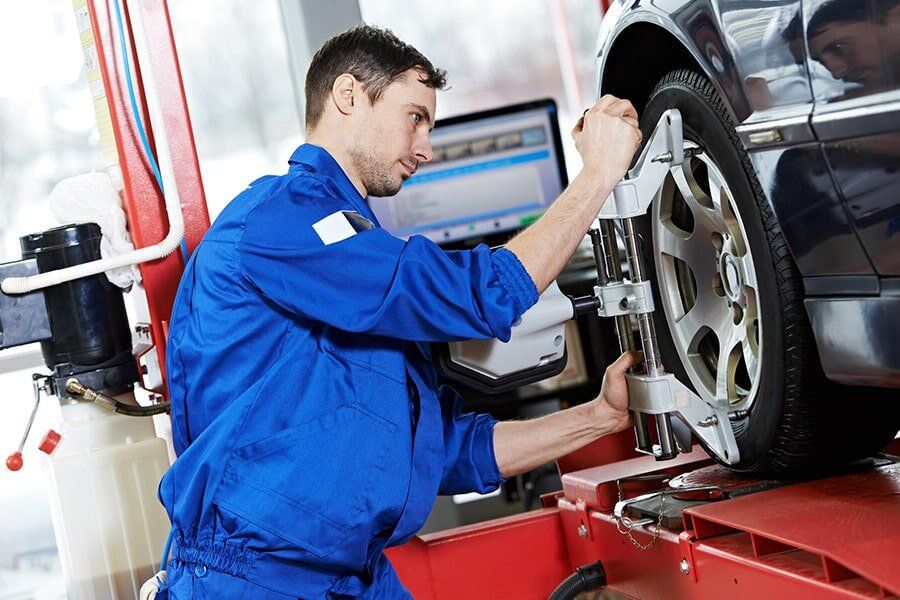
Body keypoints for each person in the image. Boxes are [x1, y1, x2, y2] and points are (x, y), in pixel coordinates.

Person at [156, 24, 643, 599]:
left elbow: (439, 453)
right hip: (252, 582)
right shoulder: (281, 222)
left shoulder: (354, 246)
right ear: (349, 96)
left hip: (352, 579)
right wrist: (598, 174)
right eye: (415, 117)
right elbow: (481, 295)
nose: (426, 149)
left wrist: (598, 416)